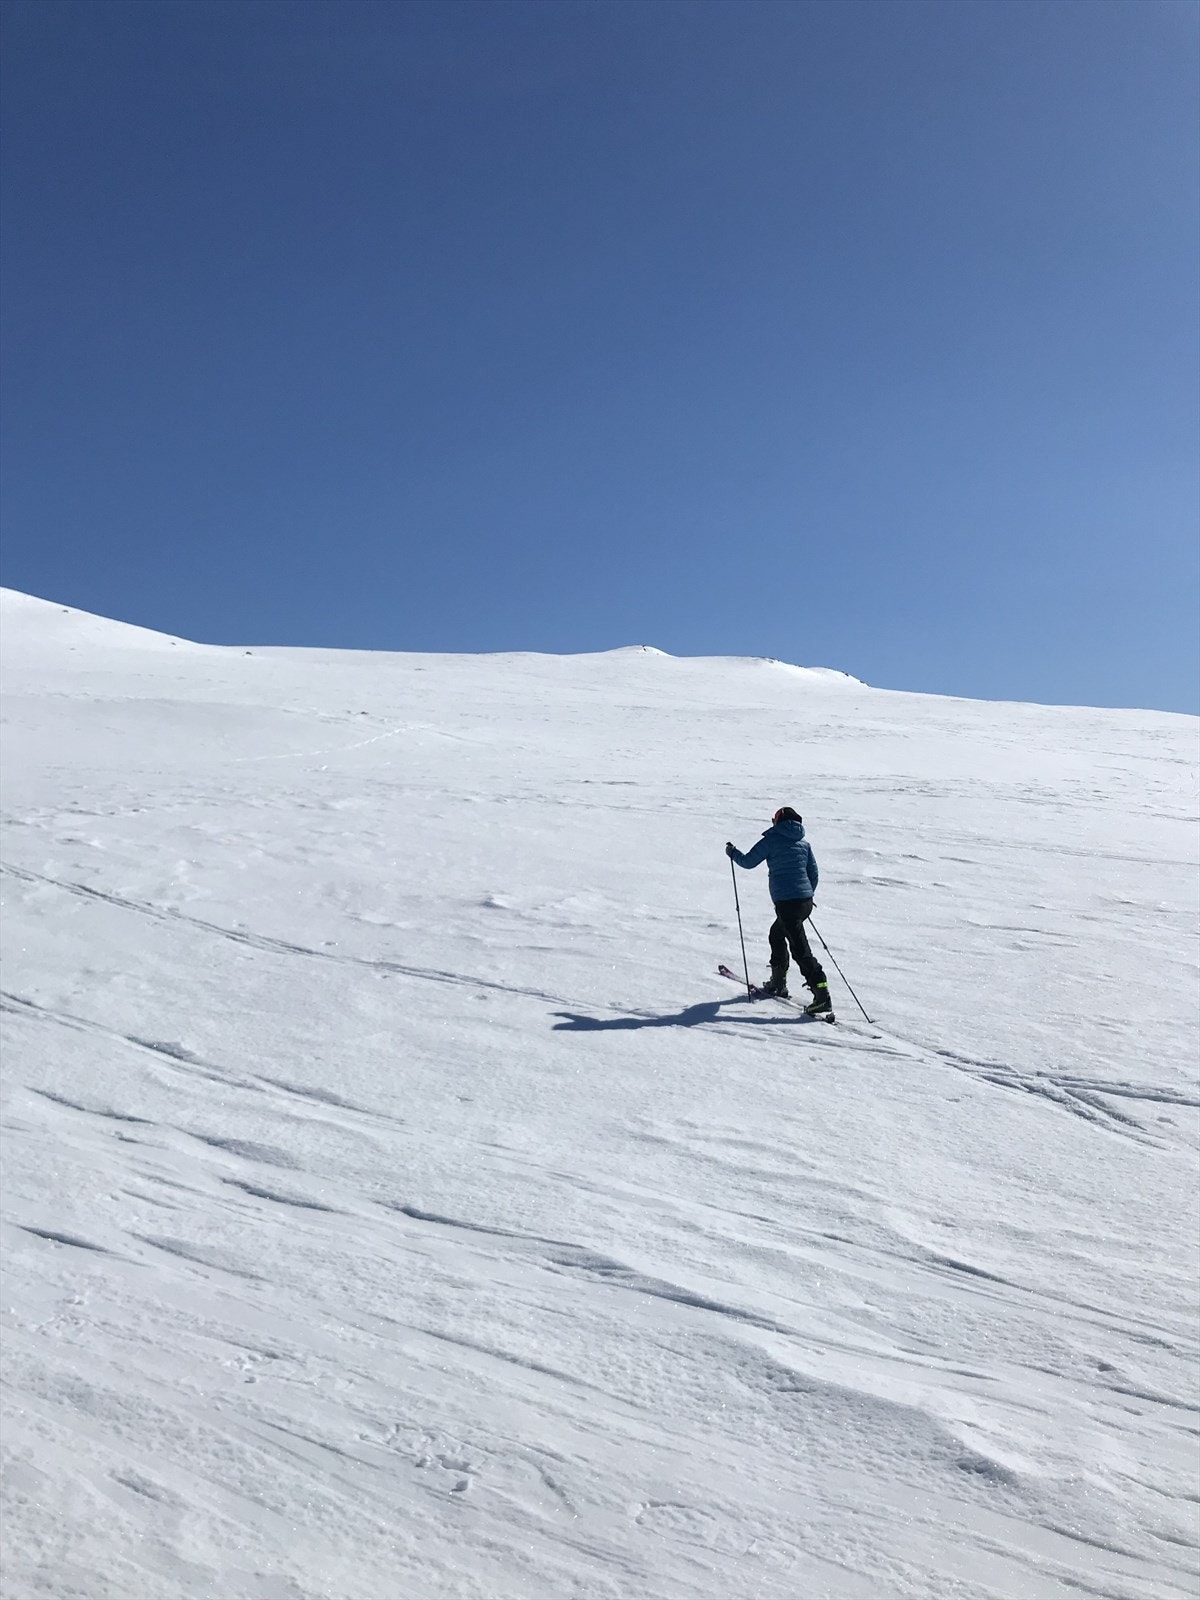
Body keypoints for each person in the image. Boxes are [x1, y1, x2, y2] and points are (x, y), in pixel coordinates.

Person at [725, 807, 832, 1014]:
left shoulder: (772, 839)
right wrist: (806, 895)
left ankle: (821, 995)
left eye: (774, 819)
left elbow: (748, 862)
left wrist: (732, 853)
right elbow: (814, 873)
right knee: (776, 935)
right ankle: (778, 983)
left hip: (787, 903)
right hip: (804, 902)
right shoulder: (803, 843)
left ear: (779, 821)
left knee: (800, 950)